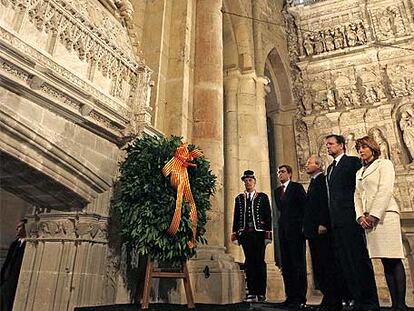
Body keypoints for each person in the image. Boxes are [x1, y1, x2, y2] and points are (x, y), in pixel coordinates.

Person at [325, 134, 379, 311]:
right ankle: (356, 299)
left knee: (358, 259)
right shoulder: (330, 168)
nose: (328, 147)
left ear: (341, 146)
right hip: (336, 221)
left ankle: (369, 300)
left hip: (351, 218)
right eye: (327, 145)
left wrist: (362, 213)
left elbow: (358, 190)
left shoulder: (352, 162)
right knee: (345, 262)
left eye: (331, 144)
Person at [354, 136, 408, 311]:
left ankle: (400, 304)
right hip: (368, 218)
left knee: (393, 258)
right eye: (358, 148)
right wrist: (360, 216)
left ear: (372, 148)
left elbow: (385, 189)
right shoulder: (359, 172)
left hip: (385, 215)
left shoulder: (384, 164)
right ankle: (394, 304)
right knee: (385, 260)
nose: (361, 151)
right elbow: (357, 196)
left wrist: (374, 215)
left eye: (363, 147)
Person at [304, 155, 342, 311]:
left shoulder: (321, 181)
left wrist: (323, 222)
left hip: (321, 230)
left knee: (326, 264)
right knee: (319, 265)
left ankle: (333, 299)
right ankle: (328, 298)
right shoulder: (313, 181)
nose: (306, 164)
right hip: (313, 230)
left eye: (309, 162)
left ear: (319, 165)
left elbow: (324, 203)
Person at [231, 170, 272, 303]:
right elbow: (236, 217)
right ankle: (251, 292)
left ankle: (261, 293)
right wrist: (235, 234)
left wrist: (268, 234)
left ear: (254, 182)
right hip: (246, 235)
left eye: (250, 180)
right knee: (249, 262)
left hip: (259, 234)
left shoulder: (263, 197)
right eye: (246, 180)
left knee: (259, 262)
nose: (248, 182)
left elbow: (268, 216)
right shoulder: (239, 198)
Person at [274, 165, 307, 308]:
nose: (280, 175)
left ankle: (300, 298)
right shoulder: (277, 191)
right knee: (286, 264)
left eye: (282, 172)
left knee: (298, 263)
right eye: (278, 172)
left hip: (296, 231)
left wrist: (302, 227)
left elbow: (304, 207)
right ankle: (290, 296)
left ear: (290, 173)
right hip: (283, 230)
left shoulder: (296, 188)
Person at [0, 219, 27, 311]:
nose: (17, 229)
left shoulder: (28, 244)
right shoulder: (14, 244)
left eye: (20, 227)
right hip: (5, 279)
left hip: (16, 280)